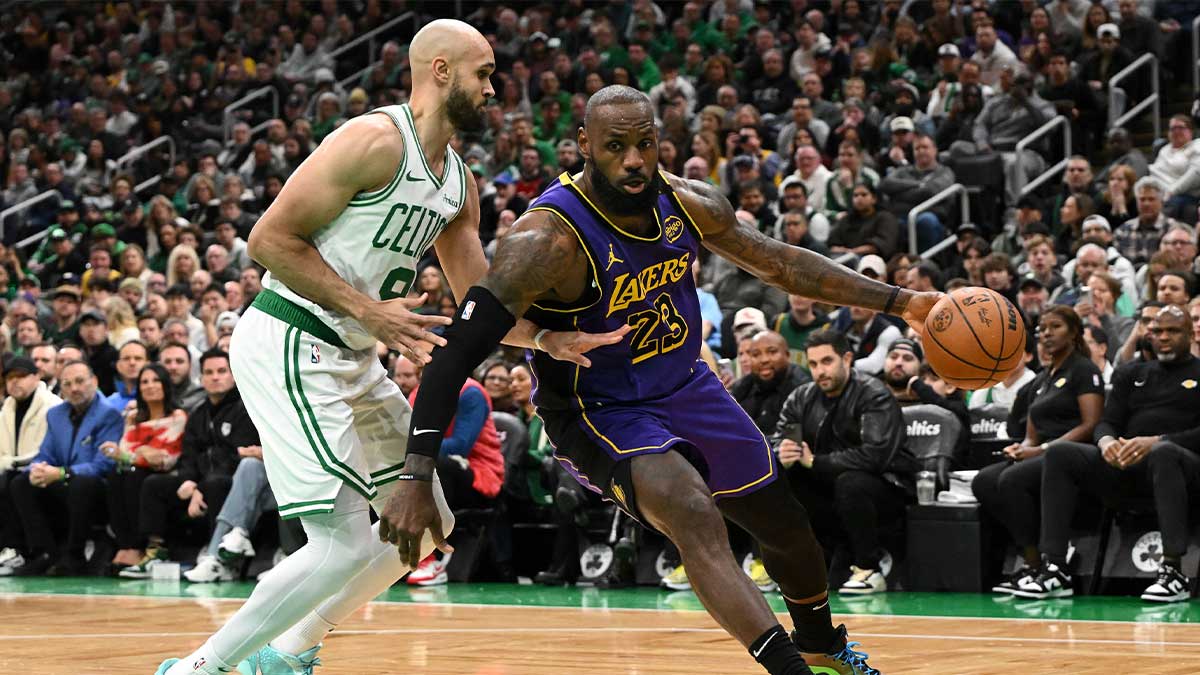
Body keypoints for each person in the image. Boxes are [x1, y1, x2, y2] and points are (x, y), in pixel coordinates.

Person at [396, 85, 939, 675]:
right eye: (615, 146)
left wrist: (905, 302)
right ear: (583, 146)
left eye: (645, 144)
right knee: (692, 512)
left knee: (785, 526)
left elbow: (782, 264)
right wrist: (416, 473)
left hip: (687, 388)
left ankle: (819, 643)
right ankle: (790, 669)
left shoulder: (689, 202)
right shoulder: (546, 241)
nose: (634, 160)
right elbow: (455, 353)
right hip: (599, 409)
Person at [156, 20, 621, 675]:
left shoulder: (458, 184)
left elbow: (476, 302)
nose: (495, 88)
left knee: (428, 521)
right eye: (483, 73)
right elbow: (268, 240)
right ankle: (199, 667)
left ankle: (286, 652)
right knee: (341, 544)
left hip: (351, 354)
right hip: (292, 336)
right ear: (439, 70)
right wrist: (370, 309)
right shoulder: (372, 140)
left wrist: (545, 336)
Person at [1021, 306, 1200, 601]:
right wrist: (1106, 443)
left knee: (1165, 454)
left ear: (1190, 333)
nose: (1164, 337)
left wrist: (1156, 441)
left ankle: (1173, 572)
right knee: (1061, 453)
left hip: (1183, 468)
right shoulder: (1132, 372)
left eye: (1173, 331)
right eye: (1158, 331)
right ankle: (1055, 568)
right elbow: (1106, 422)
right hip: (1126, 464)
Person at [971, 306, 1104, 595]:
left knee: (1013, 479)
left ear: (1074, 332)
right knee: (985, 480)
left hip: (1073, 455)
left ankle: (1055, 567)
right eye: (1042, 328)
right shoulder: (1040, 380)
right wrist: (1022, 448)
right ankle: (1031, 564)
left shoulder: (1084, 369)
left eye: (1055, 327)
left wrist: (1040, 450)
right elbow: (1031, 434)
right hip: (1041, 455)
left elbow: (1090, 424)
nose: (1046, 333)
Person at [770, 329, 914, 596]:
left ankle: (868, 569)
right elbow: (778, 437)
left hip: (887, 485)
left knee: (850, 482)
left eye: (827, 362)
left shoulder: (874, 394)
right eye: (813, 364)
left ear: (846, 359)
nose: (819, 371)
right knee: (784, 476)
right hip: (830, 483)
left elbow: (875, 456)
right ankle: (806, 566)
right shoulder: (800, 397)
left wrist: (814, 461)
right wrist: (783, 451)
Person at [7, 361, 121, 576]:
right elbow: (46, 453)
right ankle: (46, 552)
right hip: (64, 480)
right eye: (67, 384)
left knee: (82, 484)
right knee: (21, 482)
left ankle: (75, 554)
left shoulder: (110, 415)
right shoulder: (56, 414)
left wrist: (62, 473)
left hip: (98, 488)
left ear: (94, 382)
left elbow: (103, 464)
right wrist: (38, 468)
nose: (74, 389)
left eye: (79, 381)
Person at [102, 363, 187, 573]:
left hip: (167, 475)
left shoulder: (178, 416)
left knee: (134, 474)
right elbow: (126, 450)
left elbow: (166, 458)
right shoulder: (132, 417)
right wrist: (142, 453)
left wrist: (136, 454)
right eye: (144, 382)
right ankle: (126, 544)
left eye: (155, 380)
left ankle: (140, 546)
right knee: (115, 474)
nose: (150, 386)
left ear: (166, 385)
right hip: (137, 470)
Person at [0, 356, 62, 575]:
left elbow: (46, 449)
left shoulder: (52, 405)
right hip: (12, 467)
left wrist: (12, 465)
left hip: (43, 468)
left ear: (36, 377)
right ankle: (9, 549)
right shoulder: (6, 407)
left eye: (21, 376)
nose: (15, 382)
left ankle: (21, 550)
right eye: (10, 378)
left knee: (12, 482)